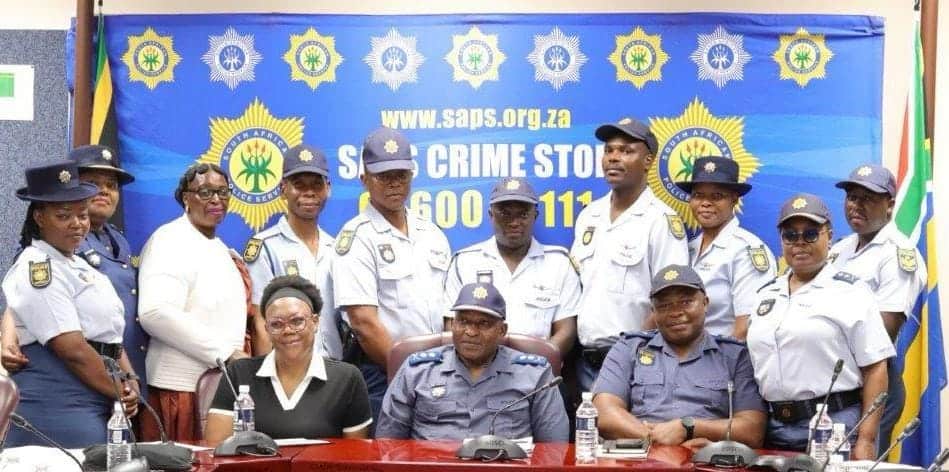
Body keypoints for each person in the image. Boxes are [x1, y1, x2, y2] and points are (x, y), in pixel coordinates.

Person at [1, 161, 138, 448]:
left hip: (101, 390)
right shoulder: (37, 266)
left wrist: (130, 379)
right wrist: (118, 388)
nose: (77, 224)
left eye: (82, 215)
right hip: (60, 400)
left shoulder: (78, 264)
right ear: (39, 217)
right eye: (64, 216)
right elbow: (72, 348)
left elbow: (109, 335)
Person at [747, 193, 894, 458]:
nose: (800, 242)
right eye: (790, 235)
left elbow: (876, 368)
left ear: (829, 235)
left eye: (811, 234)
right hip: (774, 426)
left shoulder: (851, 291)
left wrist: (866, 440)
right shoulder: (765, 295)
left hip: (833, 424)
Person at [332, 126, 451, 426]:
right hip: (382, 373)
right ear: (364, 180)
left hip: (440, 371)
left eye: (401, 174)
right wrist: (411, 374)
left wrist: (444, 370)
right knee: (386, 459)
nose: (394, 183)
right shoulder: (356, 237)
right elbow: (363, 322)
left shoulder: (432, 233)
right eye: (383, 176)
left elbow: (450, 312)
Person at [570, 117, 689, 392]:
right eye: (609, 150)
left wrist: (633, 352)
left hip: (635, 361)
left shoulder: (660, 220)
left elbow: (670, 300)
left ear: (648, 161)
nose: (613, 158)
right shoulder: (590, 215)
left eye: (626, 151)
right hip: (585, 361)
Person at [593, 264, 766, 446]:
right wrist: (656, 440)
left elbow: (752, 430)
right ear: (654, 312)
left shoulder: (735, 356)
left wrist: (688, 428)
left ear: (705, 303)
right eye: (665, 305)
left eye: (686, 302)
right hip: (639, 457)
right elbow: (604, 413)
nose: (675, 312)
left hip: (705, 461)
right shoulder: (629, 348)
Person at [137, 163, 249, 441]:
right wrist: (224, 352)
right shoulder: (170, 239)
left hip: (218, 384)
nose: (216, 200)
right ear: (185, 197)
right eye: (205, 192)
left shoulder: (220, 247)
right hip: (181, 390)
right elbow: (154, 312)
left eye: (223, 192)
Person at [376, 282, 568, 441]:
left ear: (502, 330)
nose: (471, 332)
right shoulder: (417, 370)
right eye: (463, 321)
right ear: (452, 324)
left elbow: (553, 450)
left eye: (483, 323)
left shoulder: (535, 375)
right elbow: (388, 445)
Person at [205, 276, 371, 444]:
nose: (288, 330)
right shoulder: (239, 373)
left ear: (315, 322)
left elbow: (355, 456)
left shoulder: (346, 378)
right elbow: (215, 449)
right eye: (276, 324)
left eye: (297, 321)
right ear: (267, 329)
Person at [830, 164, 925, 455]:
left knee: (859, 461)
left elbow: (884, 331)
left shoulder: (897, 254)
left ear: (890, 205)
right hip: (835, 375)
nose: (856, 205)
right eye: (852, 197)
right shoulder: (840, 248)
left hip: (872, 377)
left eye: (868, 198)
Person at [444, 177, 579, 355]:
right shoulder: (465, 262)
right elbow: (451, 328)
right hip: (476, 373)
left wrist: (534, 368)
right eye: (505, 213)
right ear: (491, 215)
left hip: (537, 374)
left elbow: (566, 331)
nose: (514, 222)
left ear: (535, 216)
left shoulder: (559, 264)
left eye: (523, 214)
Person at [244, 144, 341, 359]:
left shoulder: (336, 248)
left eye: (317, 185)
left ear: (328, 188)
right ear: (282, 189)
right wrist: (267, 381)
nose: (309, 192)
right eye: (299, 185)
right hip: (288, 370)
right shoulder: (265, 247)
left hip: (335, 369)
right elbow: (261, 321)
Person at [674, 156, 776, 339]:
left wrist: (722, 366)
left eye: (717, 196)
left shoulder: (746, 251)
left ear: (734, 200)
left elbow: (745, 329)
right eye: (698, 195)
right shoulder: (687, 248)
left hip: (723, 361)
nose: (705, 203)